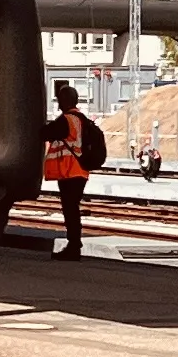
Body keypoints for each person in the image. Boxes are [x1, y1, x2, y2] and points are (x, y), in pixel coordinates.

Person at [45, 80, 104, 257]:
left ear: (64, 101)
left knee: (70, 209)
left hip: (69, 170)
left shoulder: (66, 120)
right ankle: (74, 245)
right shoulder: (83, 120)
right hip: (81, 170)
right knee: (73, 207)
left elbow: (44, 133)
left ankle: (73, 246)